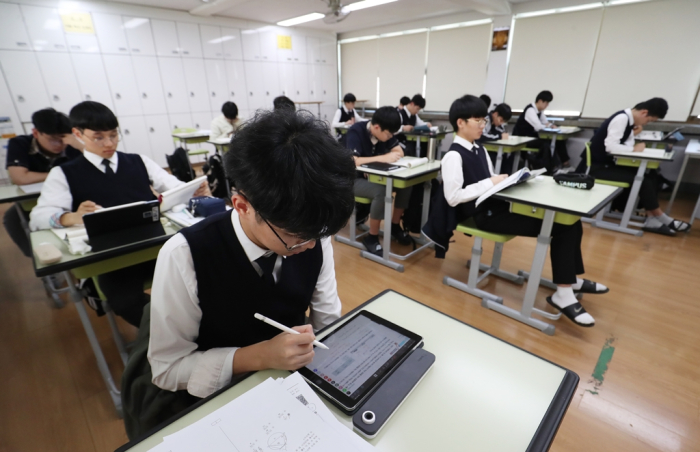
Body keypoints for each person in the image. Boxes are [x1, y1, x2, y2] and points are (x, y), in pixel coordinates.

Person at [120, 108, 356, 439]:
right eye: (296, 238)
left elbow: (327, 318)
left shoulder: (310, 232)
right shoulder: (185, 255)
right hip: (215, 398)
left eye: (318, 234)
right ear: (242, 205)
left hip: (287, 388)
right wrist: (258, 356)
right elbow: (168, 370)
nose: (310, 246)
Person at [423, 95, 608, 327]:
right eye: (478, 121)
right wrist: (491, 183)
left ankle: (569, 280)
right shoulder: (452, 155)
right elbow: (453, 197)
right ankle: (563, 292)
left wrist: (510, 181)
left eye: (484, 121)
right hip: (482, 215)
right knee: (559, 227)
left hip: (495, 205)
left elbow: (490, 180)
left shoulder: (479, 149)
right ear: (461, 122)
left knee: (570, 221)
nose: (483, 126)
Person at [29, 101, 209, 327]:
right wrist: (70, 217)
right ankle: (175, 338)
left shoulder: (138, 161)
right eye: (99, 137)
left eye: (114, 135)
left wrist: (192, 190)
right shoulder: (64, 173)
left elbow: (174, 187)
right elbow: (38, 217)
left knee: (206, 275)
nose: (109, 143)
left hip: (157, 244)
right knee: (127, 302)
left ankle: (198, 327)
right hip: (112, 258)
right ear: (78, 134)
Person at [576, 97, 690, 236]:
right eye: (649, 120)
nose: (646, 124)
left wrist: (634, 144)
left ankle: (651, 217)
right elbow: (611, 147)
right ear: (644, 113)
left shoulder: (628, 122)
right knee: (643, 179)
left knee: (652, 174)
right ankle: (660, 217)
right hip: (597, 168)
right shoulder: (621, 119)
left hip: (607, 164)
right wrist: (634, 150)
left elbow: (627, 144)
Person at [4, 108, 81, 257]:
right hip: (32, 199)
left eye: (63, 138)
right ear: (36, 133)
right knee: (13, 218)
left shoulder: (72, 145)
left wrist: (80, 145)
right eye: (53, 139)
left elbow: (94, 167)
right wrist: (59, 175)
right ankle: (39, 257)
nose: (59, 144)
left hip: (68, 197)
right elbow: (20, 177)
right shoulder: (19, 144)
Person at [345, 106, 414, 255]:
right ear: (377, 127)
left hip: (374, 177)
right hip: (351, 180)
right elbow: (353, 161)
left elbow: (399, 151)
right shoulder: (356, 132)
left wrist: (383, 158)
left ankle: (395, 226)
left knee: (405, 185)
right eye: (389, 135)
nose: (390, 138)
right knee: (381, 191)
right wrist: (382, 158)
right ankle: (372, 236)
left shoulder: (385, 131)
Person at [512, 90, 570, 171]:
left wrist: (551, 125)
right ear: (540, 101)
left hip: (532, 137)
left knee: (558, 140)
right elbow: (538, 127)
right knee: (545, 144)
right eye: (546, 103)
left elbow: (545, 122)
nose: (547, 105)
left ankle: (565, 163)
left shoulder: (539, 111)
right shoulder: (530, 110)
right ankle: (549, 167)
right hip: (523, 138)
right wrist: (546, 126)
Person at [478, 102, 514, 173]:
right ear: (495, 114)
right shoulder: (486, 119)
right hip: (482, 148)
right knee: (495, 157)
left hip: (493, 148)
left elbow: (502, 132)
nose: (501, 123)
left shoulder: (496, 123)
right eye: (501, 120)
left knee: (508, 156)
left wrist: (502, 135)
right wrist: (500, 136)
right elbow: (482, 136)